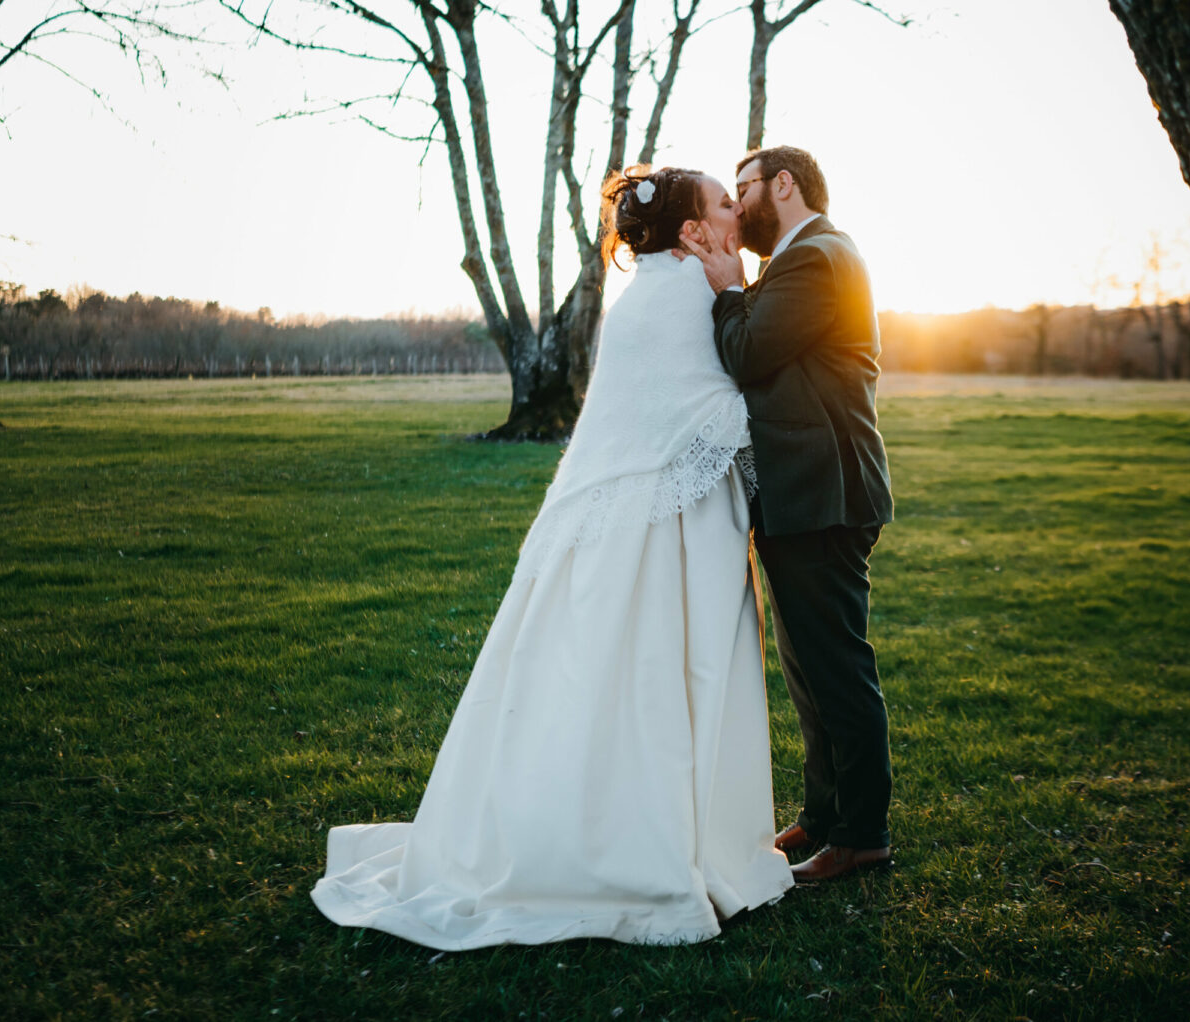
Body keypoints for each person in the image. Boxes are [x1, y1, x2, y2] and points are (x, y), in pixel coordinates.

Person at [309, 166, 793, 950]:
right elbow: (712, 414)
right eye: (723, 202)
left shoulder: (658, 288)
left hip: (648, 516)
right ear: (692, 230)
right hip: (662, 534)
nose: (737, 211)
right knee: (662, 678)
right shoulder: (682, 294)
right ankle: (647, 852)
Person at [681, 145, 896, 882]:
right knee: (807, 670)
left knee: (837, 670)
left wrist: (727, 290)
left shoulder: (816, 258)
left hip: (824, 493)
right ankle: (825, 815)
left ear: (783, 184)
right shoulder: (801, 259)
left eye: (741, 190)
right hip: (800, 493)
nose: (736, 208)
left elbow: (747, 353)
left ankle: (862, 835)